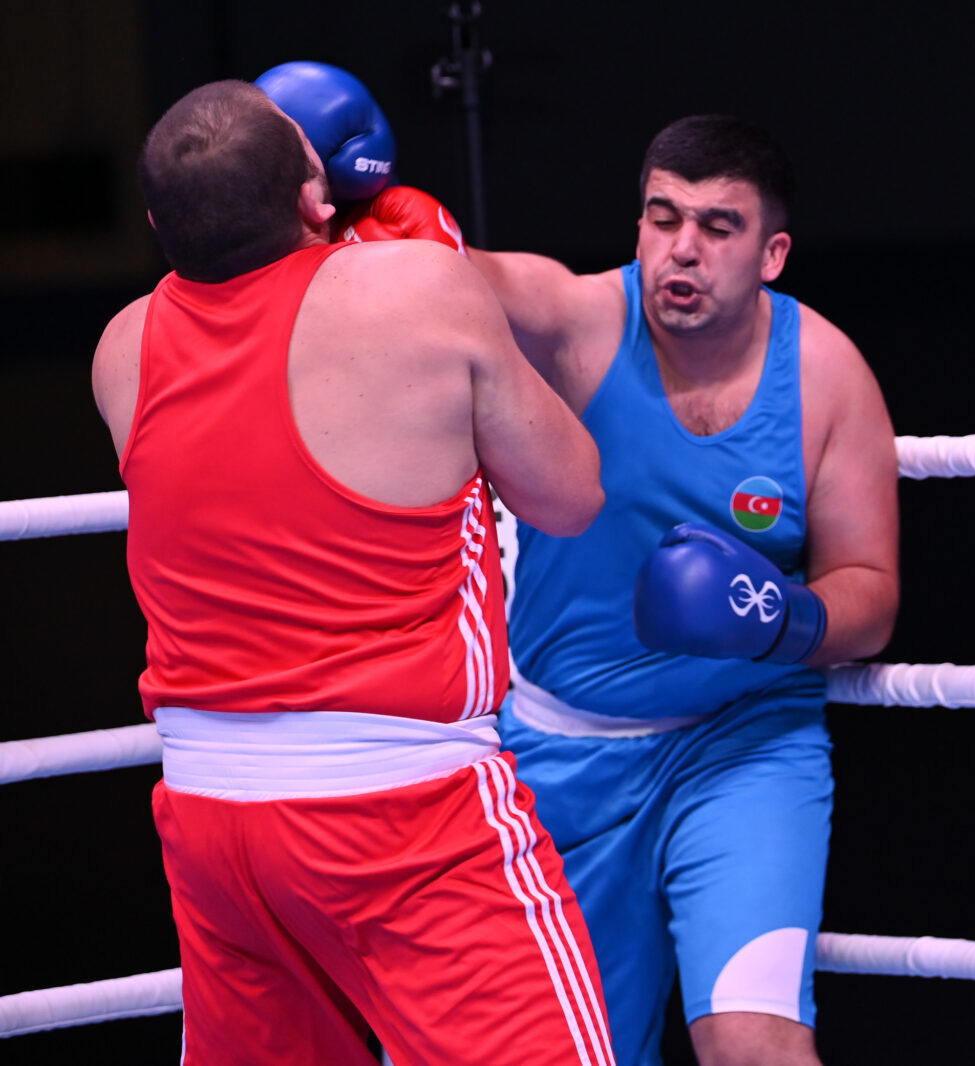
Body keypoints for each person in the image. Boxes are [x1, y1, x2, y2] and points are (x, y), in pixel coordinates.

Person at [273, 68, 901, 1064]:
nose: (681, 250)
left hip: (743, 748)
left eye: (718, 226)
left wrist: (780, 617)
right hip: (560, 759)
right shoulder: (577, 322)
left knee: (756, 1045)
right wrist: (325, 193)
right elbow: (447, 276)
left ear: (773, 252)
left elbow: (870, 593)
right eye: (663, 217)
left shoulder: (827, 378)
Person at [91, 79, 614, 1066]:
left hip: (212, 824)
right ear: (313, 198)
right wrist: (438, 272)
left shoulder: (122, 349)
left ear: (160, 224)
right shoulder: (418, 287)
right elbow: (570, 495)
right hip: (404, 813)